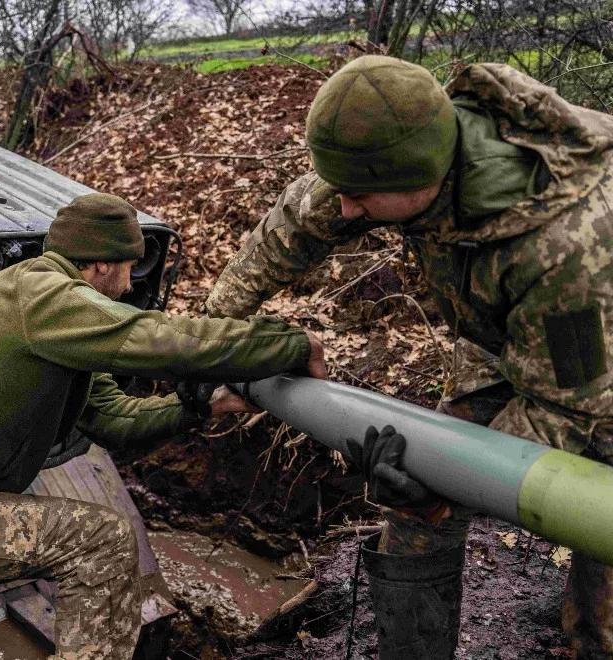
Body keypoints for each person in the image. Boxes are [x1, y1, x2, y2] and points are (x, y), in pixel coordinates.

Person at [203, 55, 613, 658]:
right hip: (500, 341)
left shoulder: (568, 247)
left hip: (595, 361)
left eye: (359, 197)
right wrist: (211, 339)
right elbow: (293, 224)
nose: (345, 210)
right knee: (417, 510)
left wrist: (448, 487)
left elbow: (566, 410)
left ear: (423, 181)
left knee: (598, 541)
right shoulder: (399, 146)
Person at [0, 192, 326, 660]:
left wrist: (201, 408)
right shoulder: (43, 297)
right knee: (103, 541)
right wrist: (287, 344)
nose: (127, 287)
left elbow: (114, 418)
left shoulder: (56, 321)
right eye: (128, 269)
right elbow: (155, 337)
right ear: (102, 264)